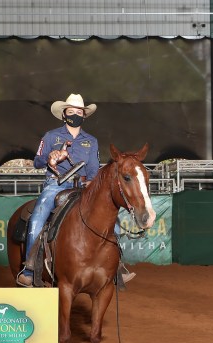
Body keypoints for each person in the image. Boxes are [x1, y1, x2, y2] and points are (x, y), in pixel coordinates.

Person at [16, 93, 135, 287]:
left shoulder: (91, 141)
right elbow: (37, 162)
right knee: (37, 218)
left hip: (84, 186)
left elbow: (94, 168)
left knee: (114, 224)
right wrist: (49, 157)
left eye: (79, 112)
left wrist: (91, 183)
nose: (75, 115)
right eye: (71, 111)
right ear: (64, 114)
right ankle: (29, 269)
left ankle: (117, 266)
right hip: (56, 184)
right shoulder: (51, 136)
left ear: (84, 116)